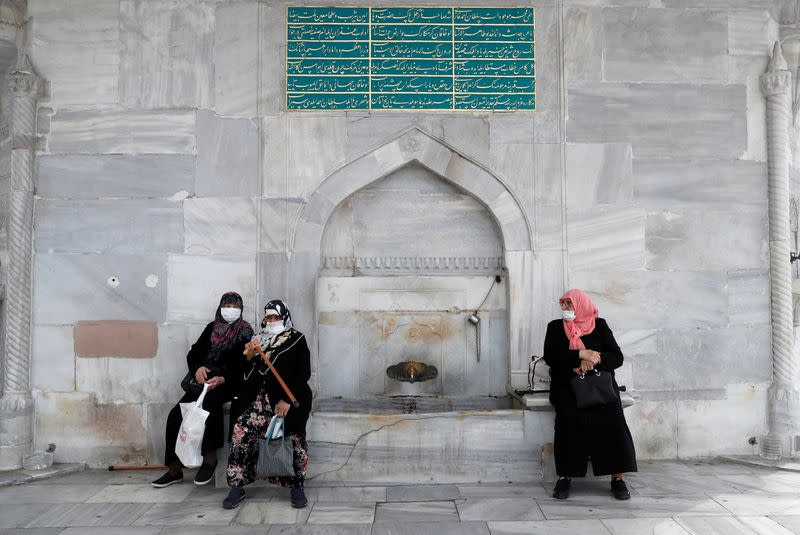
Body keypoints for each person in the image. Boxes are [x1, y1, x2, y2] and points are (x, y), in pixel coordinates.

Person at [543, 289, 637, 500]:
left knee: (613, 423)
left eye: (569, 304)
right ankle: (564, 477)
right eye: (563, 304)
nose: (565, 308)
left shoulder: (600, 325)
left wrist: (595, 358)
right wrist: (580, 354)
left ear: (581, 304)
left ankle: (618, 479)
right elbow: (551, 356)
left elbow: (617, 357)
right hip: (568, 388)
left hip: (599, 388)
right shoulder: (555, 328)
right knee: (567, 422)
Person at [152, 292, 254, 488]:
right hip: (204, 381)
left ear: (241, 309)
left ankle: (210, 460)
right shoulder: (212, 328)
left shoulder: (245, 332)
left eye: (235, 306)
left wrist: (223, 377)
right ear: (221, 306)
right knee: (175, 414)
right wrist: (198, 367)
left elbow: (244, 363)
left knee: (209, 406)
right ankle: (174, 469)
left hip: (228, 383)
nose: (230, 309)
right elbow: (194, 352)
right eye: (227, 305)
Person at [223, 299, 313, 510]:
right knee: (240, 433)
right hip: (256, 400)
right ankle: (237, 486)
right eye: (268, 317)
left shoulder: (297, 339)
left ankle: (297, 486)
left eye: (276, 317)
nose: (272, 321)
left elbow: (303, 374)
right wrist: (248, 356)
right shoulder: (257, 340)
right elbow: (239, 372)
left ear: (285, 317)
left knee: (295, 439)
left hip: (287, 399)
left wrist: (286, 401)